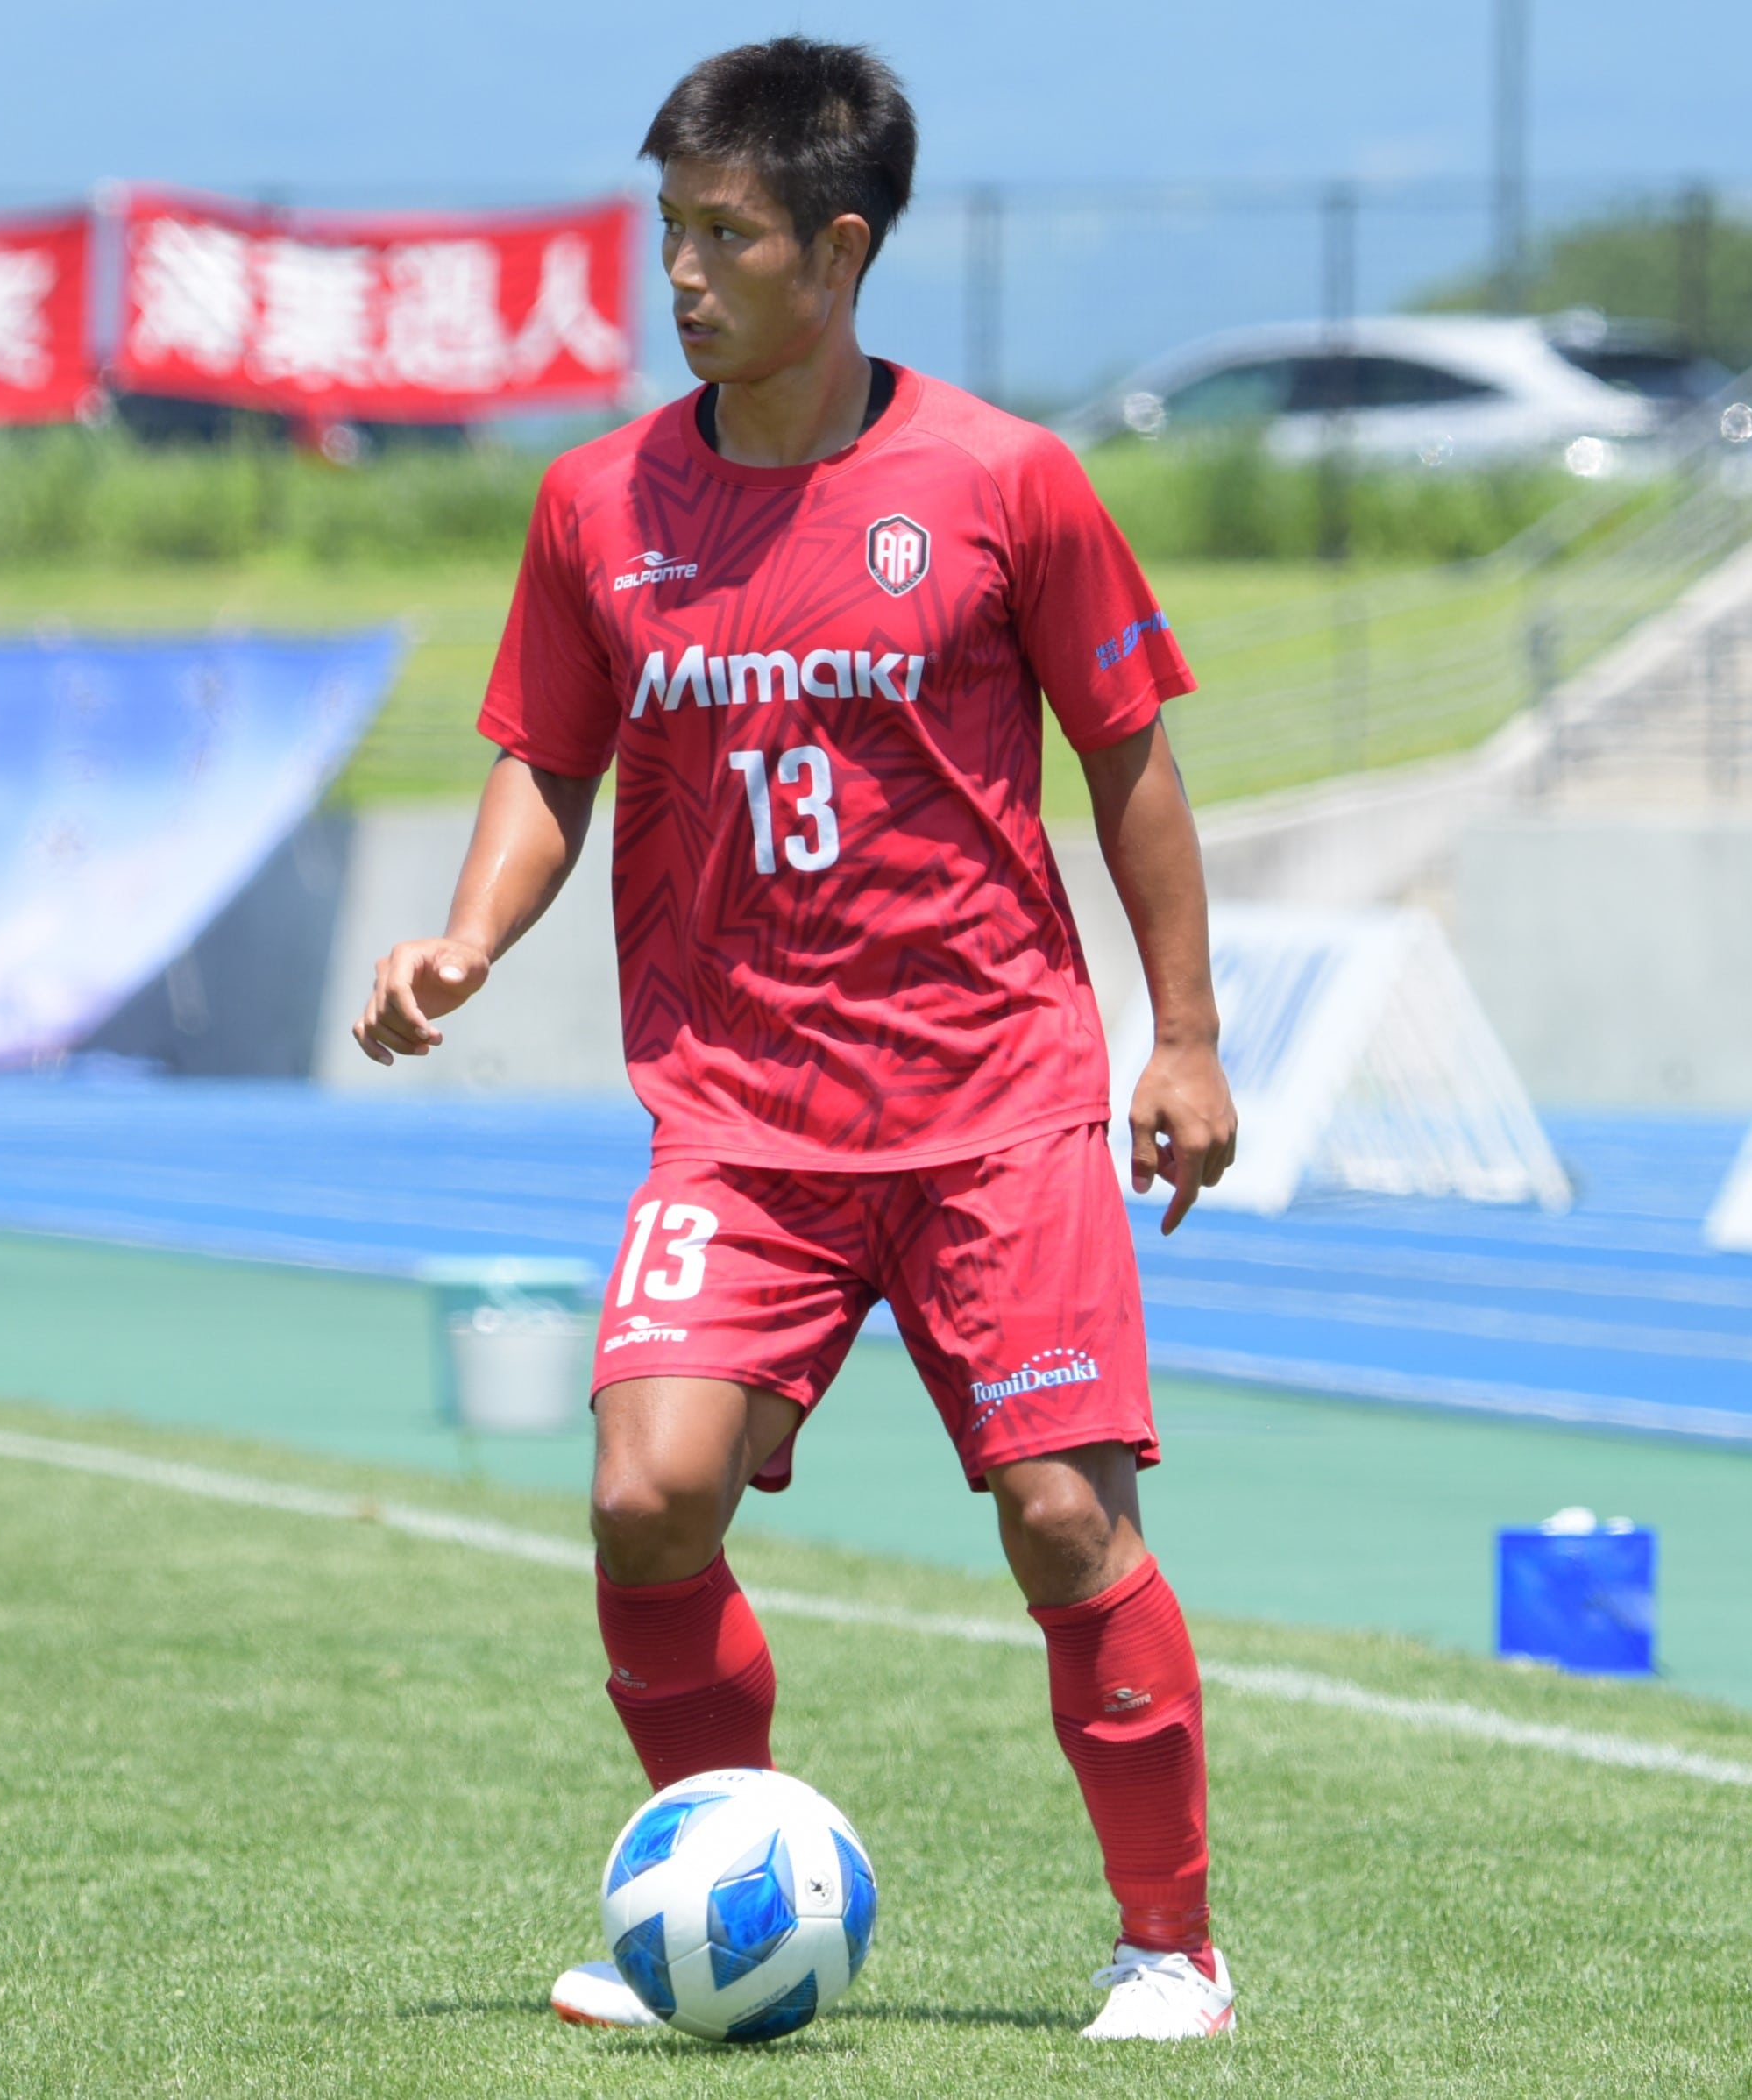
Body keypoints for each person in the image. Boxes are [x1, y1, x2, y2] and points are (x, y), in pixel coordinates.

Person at [356, 36, 1241, 2043]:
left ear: (839, 252)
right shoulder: (597, 503)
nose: (681, 273)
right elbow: (546, 757)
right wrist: (467, 941)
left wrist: (1183, 1037)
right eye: (669, 229)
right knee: (645, 1494)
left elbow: (1130, 760)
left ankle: (1169, 1946)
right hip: (739, 1122)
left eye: (725, 236)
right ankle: (713, 1890)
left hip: (995, 1102)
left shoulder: (1007, 483)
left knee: (1063, 1518)